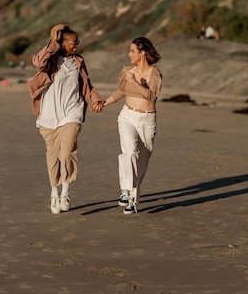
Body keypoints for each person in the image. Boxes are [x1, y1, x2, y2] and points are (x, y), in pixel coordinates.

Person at [28, 24, 101, 214]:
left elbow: (87, 82)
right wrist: (53, 42)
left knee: (67, 151)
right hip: (50, 115)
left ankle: (66, 192)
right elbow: (38, 62)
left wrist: (96, 97)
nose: (77, 45)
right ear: (63, 43)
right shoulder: (51, 60)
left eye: (78, 42)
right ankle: (54, 193)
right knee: (53, 157)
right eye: (74, 42)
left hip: (72, 111)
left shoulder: (79, 61)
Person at [92, 37, 162, 214]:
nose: (128, 54)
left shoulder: (154, 74)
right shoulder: (127, 71)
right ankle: (126, 191)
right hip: (127, 116)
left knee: (143, 160)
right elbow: (120, 92)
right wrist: (103, 103)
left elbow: (151, 97)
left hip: (147, 119)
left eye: (132, 51)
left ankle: (133, 198)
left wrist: (136, 83)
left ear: (142, 53)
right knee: (129, 151)